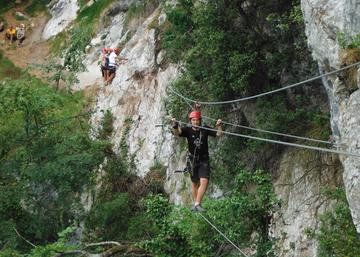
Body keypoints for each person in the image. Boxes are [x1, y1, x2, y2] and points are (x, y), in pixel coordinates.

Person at [171, 108, 223, 212]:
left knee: (204, 181)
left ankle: (197, 203)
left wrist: (218, 126)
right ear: (191, 121)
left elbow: (218, 134)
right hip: (192, 160)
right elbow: (178, 133)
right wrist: (175, 126)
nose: (195, 122)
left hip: (204, 159)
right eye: (193, 120)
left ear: (200, 120)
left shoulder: (205, 129)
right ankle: (196, 204)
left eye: (197, 120)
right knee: (195, 183)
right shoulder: (187, 130)